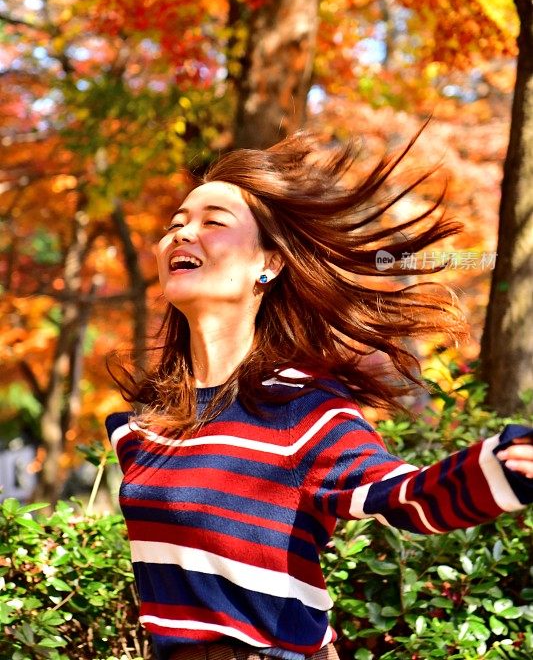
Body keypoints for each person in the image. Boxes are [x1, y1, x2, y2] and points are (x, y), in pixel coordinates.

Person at [106, 128, 532, 660]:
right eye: (176, 225)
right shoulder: (142, 431)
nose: (182, 235)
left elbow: (397, 495)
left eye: (212, 223)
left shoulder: (300, 409)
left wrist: (502, 467)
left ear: (270, 264)